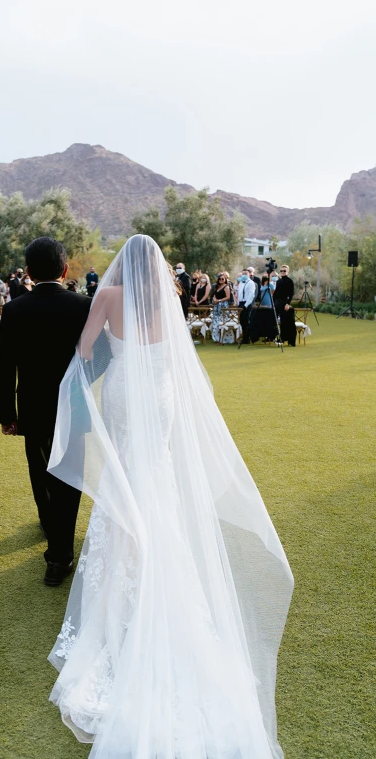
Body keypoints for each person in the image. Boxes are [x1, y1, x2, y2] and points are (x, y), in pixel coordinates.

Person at [45, 235, 293, 758]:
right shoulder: (170, 298)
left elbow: (85, 350)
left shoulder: (107, 298)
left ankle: (126, 589)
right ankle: (160, 569)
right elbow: (179, 360)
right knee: (154, 477)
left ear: (122, 265)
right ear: (156, 268)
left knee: (128, 483)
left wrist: (99, 351)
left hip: (123, 393)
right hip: (159, 396)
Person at [0, 237, 92, 586]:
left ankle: (49, 526)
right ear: (65, 269)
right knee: (70, 478)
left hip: (32, 407)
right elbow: (105, 354)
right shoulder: (84, 306)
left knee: (40, 469)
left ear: (29, 273)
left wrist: (7, 413)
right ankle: (60, 555)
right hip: (75, 405)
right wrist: (80, 380)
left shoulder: (14, 309)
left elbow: (5, 367)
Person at [274, 264, 296, 346]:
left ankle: (285, 339)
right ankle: (278, 337)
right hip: (277, 303)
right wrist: (273, 302)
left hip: (284, 303)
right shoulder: (278, 281)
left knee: (285, 322)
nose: (282, 272)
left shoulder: (290, 281)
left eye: (284, 271)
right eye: (281, 271)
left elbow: (291, 294)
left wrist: (288, 304)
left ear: (288, 272)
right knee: (275, 321)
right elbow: (276, 293)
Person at [210, 272, 234, 343]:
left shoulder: (226, 287)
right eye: (219, 279)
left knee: (222, 321)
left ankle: (223, 339)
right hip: (216, 306)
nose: (221, 280)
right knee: (215, 321)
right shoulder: (217, 286)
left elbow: (228, 297)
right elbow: (214, 294)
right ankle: (216, 338)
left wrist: (219, 300)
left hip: (223, 305)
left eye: (222, 279)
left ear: (225, 279)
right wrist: (214, 299)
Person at [237, 269, 256, 343]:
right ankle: (245, 337)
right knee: (242, 321)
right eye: (243, 273)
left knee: (246, 321)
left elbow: (251, 295)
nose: (244, 275)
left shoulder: (251, 283)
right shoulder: (241, 282)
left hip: (246, 303)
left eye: (245, 273)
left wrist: (246, 305)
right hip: (241, 303)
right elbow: (240, 294)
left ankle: (247, 338)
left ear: (249, 275)